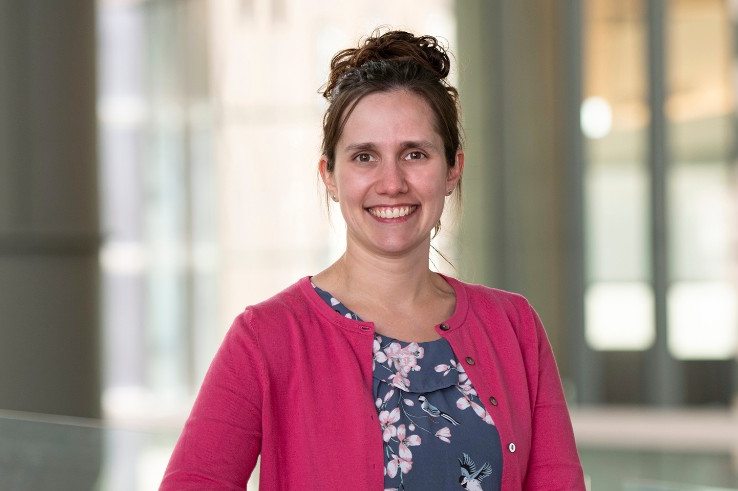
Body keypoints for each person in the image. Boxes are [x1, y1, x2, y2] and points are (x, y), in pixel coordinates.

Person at [159, 30, 584, 491]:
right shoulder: (267, 338)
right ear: (330, 176)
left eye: (415, 154)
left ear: (452, 168)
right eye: (365, 157)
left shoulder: (514, 328)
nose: (392, 182)